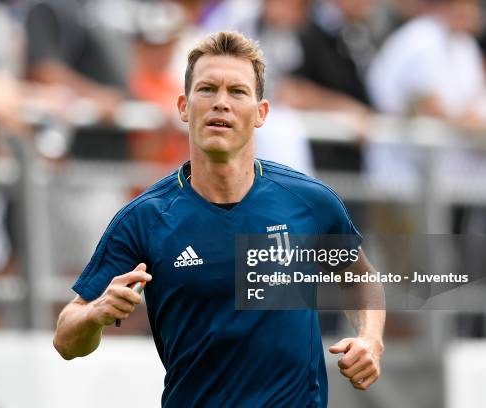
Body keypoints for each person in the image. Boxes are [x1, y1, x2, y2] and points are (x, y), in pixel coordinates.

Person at [54, 31, 385, 407]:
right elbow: (66, 338)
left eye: (238, 92)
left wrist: (370, 338)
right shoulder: (146, 218)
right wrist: (97, 313)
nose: (221, 103)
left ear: (261, 113)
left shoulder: (309, 203)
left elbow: (359, 278)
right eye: (208, 89)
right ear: (183, 106)